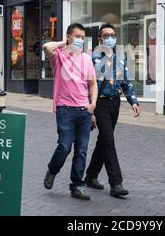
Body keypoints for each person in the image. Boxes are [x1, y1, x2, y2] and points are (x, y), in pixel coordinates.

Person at [42, 23, 98, 201]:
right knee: (65, 147)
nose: (81, 40)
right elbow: (46, 47)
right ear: (69, 37)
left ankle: (77, 186)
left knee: (81, 150)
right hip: (65, 109)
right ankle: (52, 170)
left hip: (84, 110)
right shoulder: (58, 56)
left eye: (83, 37)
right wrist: (63, 42)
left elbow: (92, 84)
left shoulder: (87, 59)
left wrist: (93, 105)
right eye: (78, 36)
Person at [84, 23, 140, 198]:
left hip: (114, 104)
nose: (110, 38)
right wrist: (90, 110)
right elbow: (85, 86)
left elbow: (125, 83)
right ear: (100, 38)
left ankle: (91, 176)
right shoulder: (91, 59)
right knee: (108, 140)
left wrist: (133, 101)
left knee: (103, 140)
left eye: (113, 35)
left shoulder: (119, 59)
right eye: (106, 35)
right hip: (98, 104)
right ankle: (116, 183)